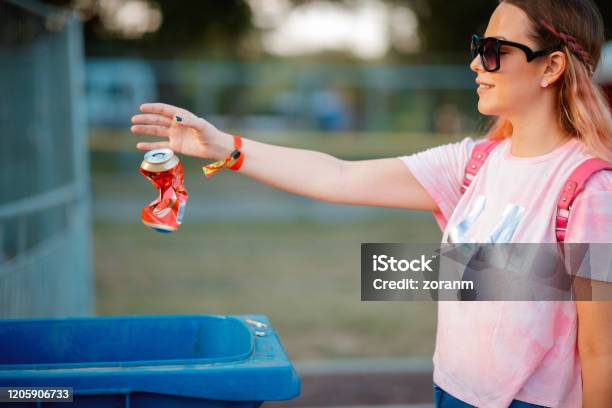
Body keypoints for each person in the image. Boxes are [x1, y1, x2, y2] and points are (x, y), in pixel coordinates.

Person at [131, 0, 612, 406]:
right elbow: (337, 175)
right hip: (450, 390)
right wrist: (226, 147)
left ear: (551, 66)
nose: (475, 64)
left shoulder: (589, 189)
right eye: (476, 48)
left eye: (493, 52)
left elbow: (601, 352)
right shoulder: (472, 163)